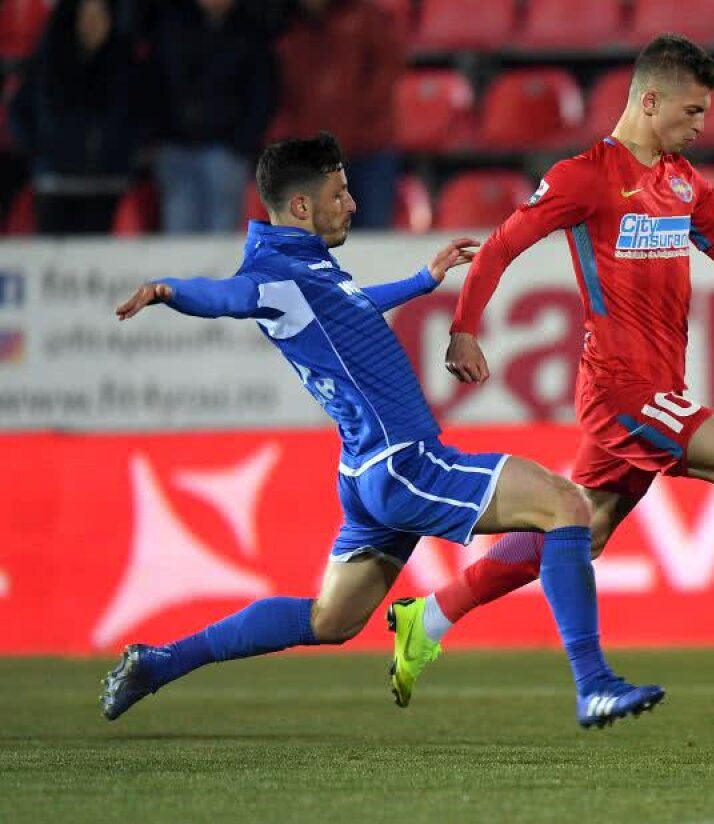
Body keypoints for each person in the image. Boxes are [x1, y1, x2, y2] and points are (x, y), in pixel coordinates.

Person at [386, 35, 714, 708]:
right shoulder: (584, 176)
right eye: (691, 111)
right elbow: (501, 247)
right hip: (619, 389)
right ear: (649, 100)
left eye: (704, 113)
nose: (700, 125)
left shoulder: (683, 183)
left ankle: (426, 620)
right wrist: (463, 329)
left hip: (660, 387)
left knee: (582, 530)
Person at [99, 132, 664, 729]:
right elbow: (231, 295)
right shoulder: (273, 276)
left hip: (368, 471)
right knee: (566, 505)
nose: (352, 203)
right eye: (338, 193)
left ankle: (160, 663)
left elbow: (349, 304)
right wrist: (171, 291)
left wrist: (422, 280)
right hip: (406, 462)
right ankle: (593, 683)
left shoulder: (304, 268)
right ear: (299, 207)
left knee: (331, 621)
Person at [7, 0, 146, 234]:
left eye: (99, 16)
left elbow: (141, 117)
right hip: (55, 184)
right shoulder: (48, 61)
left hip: (108, 185)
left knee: (104, 264)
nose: (92, 24)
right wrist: (41, 150)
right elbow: (20, 111)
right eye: (85, 16)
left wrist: (127, 152)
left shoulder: (127, 65)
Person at [148, 0, 278, 233]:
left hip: (226, 153)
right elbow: (155, 84)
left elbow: (263, 93)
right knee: (178, 237)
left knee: (221, 238)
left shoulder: (251, 31)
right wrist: (159, 136)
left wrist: (242, 143)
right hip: (176, 149)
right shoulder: (171, 25)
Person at [272, 0, 404, 229]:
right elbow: (283, 93)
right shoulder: (285, 26)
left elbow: (385, 74)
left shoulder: (366, 17)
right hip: (313, 158)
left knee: (373, 242)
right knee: (319, 244)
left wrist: (353, 130)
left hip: (367, 151)